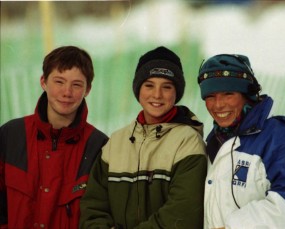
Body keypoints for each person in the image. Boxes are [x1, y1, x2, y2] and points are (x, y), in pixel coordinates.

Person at [197, 54, 285, 229]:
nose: (218, 105)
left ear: (248, 94)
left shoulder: (282, 139)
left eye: (228, 94)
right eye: (211, 96)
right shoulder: (215, 140)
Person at [80, 46, 207, 228]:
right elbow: (93, 207)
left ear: (176, 93)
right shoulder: (116, 143)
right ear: (138, 89)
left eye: (167, 87)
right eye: (149, 85)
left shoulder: (188, 142)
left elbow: (182, 213)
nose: (157, 95)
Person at [0, 46, 108, 229]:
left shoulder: (99, 146)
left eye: (76, 85)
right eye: (59, 81)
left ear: (87, 89)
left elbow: (99, 214)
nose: (67, 92)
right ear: (43, 82)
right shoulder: (10, 135)